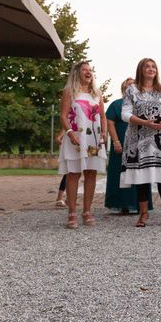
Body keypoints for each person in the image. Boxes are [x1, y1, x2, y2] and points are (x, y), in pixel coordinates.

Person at [120, 58, 161, 228]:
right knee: (142, 176)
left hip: (160, 139)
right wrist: (145, 123)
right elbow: (125, 114)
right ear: (141, 70)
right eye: (147, 66)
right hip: (138, 139)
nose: (151, 69)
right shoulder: (132, 90)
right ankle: (144, 214)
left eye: (153, 67)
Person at [58, 61, 107, 229]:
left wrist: (104, 133)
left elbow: (103, 116)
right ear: (77, 73)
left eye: (90, 70)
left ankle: (87, 211)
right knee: (73, 174)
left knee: (91, 173)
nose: (88, 72)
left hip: (93, 138)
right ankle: (72, 213)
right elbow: (63, 116)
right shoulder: (70, 92)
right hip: (76, 138)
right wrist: (70, 133)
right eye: (85, 70)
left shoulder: (96, 93)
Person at [105, 77, 153, 214]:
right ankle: (123, 204)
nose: (131, 87)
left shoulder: (144, 103)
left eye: (133, 85)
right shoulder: (116, 104)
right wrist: (115, 141)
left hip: (140, 144)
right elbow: (110, 123)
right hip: (121, 145)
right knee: (120, 174)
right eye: (128, 85)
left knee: (140, 173)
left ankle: (140, 205)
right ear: (123, 89)